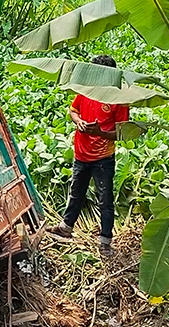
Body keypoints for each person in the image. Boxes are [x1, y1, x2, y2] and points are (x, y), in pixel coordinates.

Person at [47, 55, 129, 257]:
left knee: (105, 199)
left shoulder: (118, 98)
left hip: (103, 158)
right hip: (81, 154)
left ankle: (105, 242)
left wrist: (99, 132)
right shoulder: (86, 91)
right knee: (76, 193)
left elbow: (121, 132)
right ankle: (66, 228)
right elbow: (73, 110)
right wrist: (79, 122)